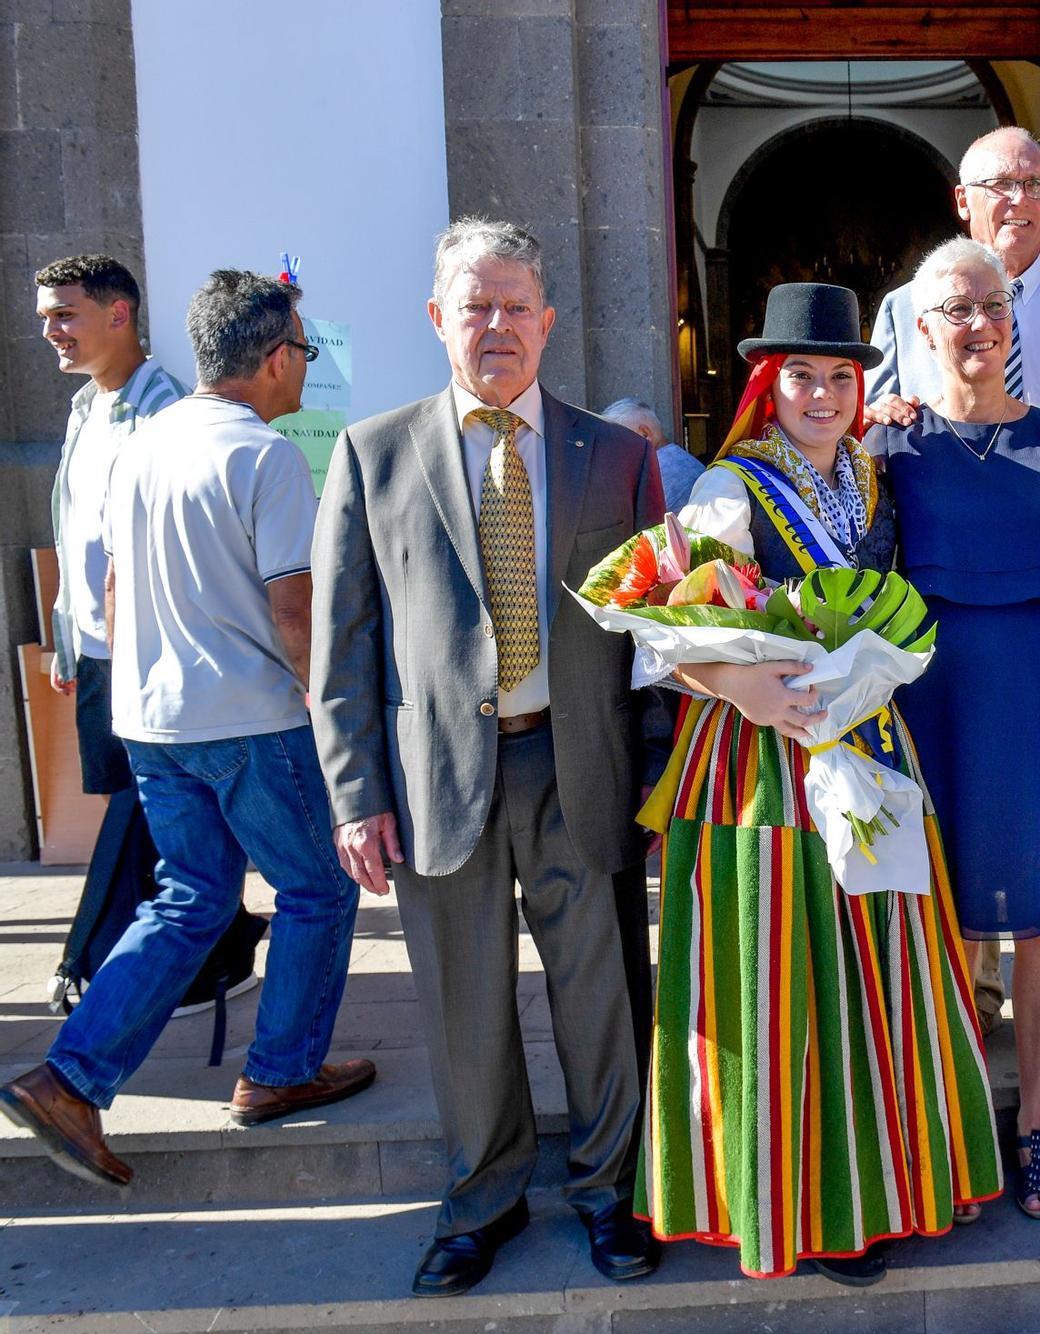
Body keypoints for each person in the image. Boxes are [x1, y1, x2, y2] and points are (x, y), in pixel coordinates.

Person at [311, 218, 663, 1297]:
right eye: (476, 305)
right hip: (437, 779)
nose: (496, 326)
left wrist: (654, 775)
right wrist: (354, 792)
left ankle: (611, 1190)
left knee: (601, 998)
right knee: (465, 1006)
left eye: (516, 306)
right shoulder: (373, 453)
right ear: (437, 318)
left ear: (548, 323)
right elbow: (342, 639)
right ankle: (484, 1198)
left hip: (580, 763)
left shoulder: (612, 456)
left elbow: (653, 634)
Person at [641, 281, 1001, 1286]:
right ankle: (782, 1193)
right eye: (800, 372)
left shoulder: (872, 479)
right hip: (760, 760)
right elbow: (662, 635)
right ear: (768, 381)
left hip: (868, 739)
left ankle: (872, 1185)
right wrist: (741, 687)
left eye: (839, 374)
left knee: (876, 961)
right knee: (781, 969)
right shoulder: (728, 486)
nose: (821, 391)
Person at [0, 270, 374, 1187]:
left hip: (155, 717)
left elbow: (117, 589)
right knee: (319, 890)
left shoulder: (146, 440)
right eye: (305, 351)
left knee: (192, 898)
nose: (305, 370)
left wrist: (140, 688)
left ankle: (71, 1077)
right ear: (278, 357)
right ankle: (279, 1070)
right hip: (248, 716)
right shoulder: (265, 457)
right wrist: (336, 723)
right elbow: (295, 611)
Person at [862, 237, 1040, 1222]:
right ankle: (946, 1128)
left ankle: (1033, 1123)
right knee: (943, 917)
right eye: (955, 308)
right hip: (930, 697)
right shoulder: (889, 444)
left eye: (992, 306)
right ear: (919, 328)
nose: (978, 324)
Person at [33, 255, 266, 1022]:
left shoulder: (162, 409)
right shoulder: (84, 410)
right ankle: (214, 949)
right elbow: (79, 536)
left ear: (119, 314)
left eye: (65, 314)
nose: (52, 332)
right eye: (45, 318)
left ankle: (92, 959)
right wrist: (69, 636)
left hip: (151, 652)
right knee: (159, 817)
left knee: (145, 807)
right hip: (100, 649)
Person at [866, 125, 1040, 443]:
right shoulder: (906, 306)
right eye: (1000, 184)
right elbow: (870, 432)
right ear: (963, 200)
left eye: (1035, 184)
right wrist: (876, 417)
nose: (1020, 199)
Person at [601, 395, 703, 511]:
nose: (614, 454)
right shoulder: (681, 459)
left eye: (617, 442)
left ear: (645, 434)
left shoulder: (654, 475)